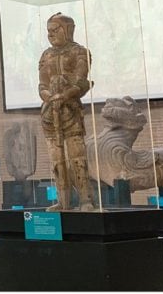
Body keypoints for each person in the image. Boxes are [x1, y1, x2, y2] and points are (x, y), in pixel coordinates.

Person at [38, 12, 94, 211]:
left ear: (67, 30)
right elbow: (42, 84)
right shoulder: (46, 55)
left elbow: (81, 82)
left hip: (70, 111)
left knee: (77, 158)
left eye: (55, 30)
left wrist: (65, 95)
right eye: (49, 31)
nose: (51, 34)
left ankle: (86, 199)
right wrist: (49, 97)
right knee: (57, 159)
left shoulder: (80, 52)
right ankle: (63, 201)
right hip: (50, 113)